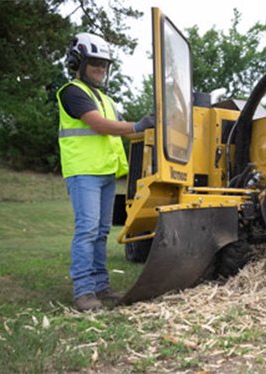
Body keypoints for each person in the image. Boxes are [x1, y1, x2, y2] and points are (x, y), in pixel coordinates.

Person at [57, 32, 155, 311]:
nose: (101, 69)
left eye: (104, 64)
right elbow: (100, 125)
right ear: (78, 62)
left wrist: (154, 127)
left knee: (100, 232)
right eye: (95, 63)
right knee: (87, 231)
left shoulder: (105, 99)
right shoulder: (72, 92)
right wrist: (140, 125)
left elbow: (123, 130)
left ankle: (101, 287)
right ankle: (84, 292)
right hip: (83, 172)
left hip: (105, 173)